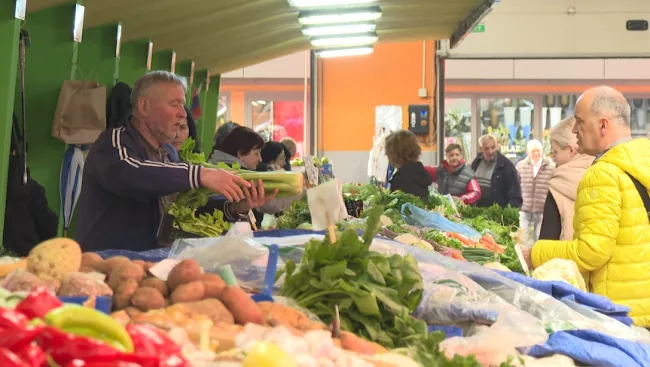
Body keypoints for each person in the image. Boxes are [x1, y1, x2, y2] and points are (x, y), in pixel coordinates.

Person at [75, 71, 274, 252]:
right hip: (106, 264)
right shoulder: (113, 141)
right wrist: (199, 174)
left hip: (152, 262)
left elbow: (186, 206)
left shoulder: (168, 152)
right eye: (174, 104)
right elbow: (130, 174)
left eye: (182, 104)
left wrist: (235, 207)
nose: (183, 113)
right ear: (144, 107)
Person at [525, 86, 650, 327]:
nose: (574, 130)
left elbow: (591, 252)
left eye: (579, 122)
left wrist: (535, 255)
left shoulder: (603, 174)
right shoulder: (641, 160)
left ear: (603, 125)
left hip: (620, 313)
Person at [539, 117, 594, 241]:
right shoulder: (605, 175)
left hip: (565, 258)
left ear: (571, 149)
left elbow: (547, 241)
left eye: (555, 152)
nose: (553, 159)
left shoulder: (558, 185)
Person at [516, 139, 555, 246]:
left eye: (538, 151)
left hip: (542, 208)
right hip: (524, 207)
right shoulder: (520, 166)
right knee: (523, 237)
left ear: (542, 151)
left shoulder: (551, 167)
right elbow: (516, 185)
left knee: (539, 236)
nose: (536, 153)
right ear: (528, 152)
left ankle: (536, 258)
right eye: (533, 151)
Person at [471, 134, 522, 208]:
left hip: (497, 211)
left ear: (497, 146)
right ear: (481, 149)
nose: (490, 151)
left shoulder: (506, 165)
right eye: (487, 148)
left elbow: (515, 192)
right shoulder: (476, 162)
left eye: (493, 147)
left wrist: (510, 210)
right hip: (478, 209)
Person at [384, 130, 432, 201]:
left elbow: (398, 209)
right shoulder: (420, 173)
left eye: (388, 151)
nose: (386, 154)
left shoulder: (400, 180)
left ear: (396, 154)